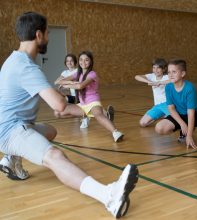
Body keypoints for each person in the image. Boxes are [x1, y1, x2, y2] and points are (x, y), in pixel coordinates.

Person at [0, 12, 138, 218]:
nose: (48, 37)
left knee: (50, 131)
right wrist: (67, 100)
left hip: (17, 124)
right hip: (10, 130)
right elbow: (60, 105)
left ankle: (10, 159)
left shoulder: (13, 60)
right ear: (38, 35)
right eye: (47, 33)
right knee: (55, 156)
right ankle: (108, 196)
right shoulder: (27, 67)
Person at [54, 51, 123, 142]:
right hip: (82, 104)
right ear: (78, 61)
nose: (83, 62)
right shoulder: (77, 74)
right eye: (81, 60)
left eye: (86, 60)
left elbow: (80, 86)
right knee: (58, 113)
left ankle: (116, 133)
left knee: (98, 115)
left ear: (90, 62)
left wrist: (67, 85)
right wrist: (70, 82)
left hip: (93, 102)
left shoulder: (92, 74)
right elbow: (57, 82)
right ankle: (87, 115)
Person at [134, 58, 170, 127]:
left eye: (158, 68)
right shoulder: (152, 76)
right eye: (154, 68)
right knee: (142, 123)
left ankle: (167, 116)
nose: (155, 70)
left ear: (164, 69)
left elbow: (173, 80)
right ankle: (159, 116)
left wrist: (160, 83)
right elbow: (137, 77)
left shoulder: (167, 77)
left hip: (167, 104)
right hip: (157, 106)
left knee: (173, 122)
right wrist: (148, 81)